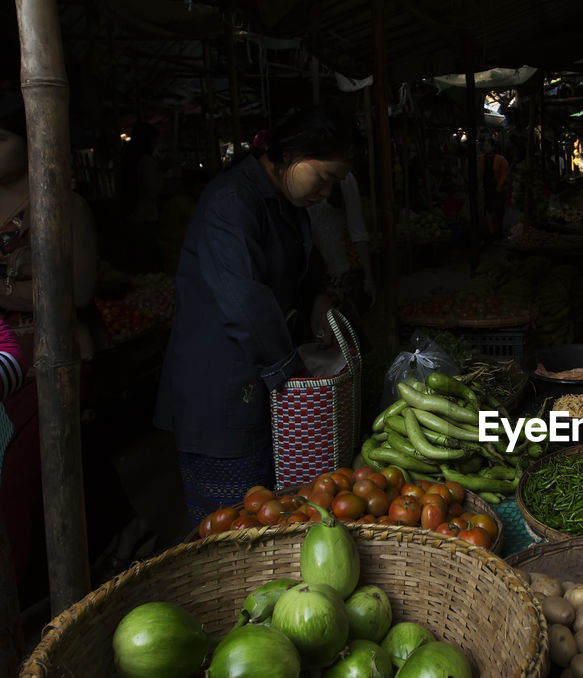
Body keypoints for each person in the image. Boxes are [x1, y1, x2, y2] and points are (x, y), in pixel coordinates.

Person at [154, 105, 356, 529]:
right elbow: (243, 299)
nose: (326, 193)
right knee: (229, 525)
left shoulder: (285, 203)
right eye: (324, 179)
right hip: (218, 385)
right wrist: (293, 371)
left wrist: (317, 298)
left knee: (265, 512)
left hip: (255, 376)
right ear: (293, 153)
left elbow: (293, 272)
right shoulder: (231, 202)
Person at [0, 90, 136, 608]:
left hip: (54, 356)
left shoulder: (62, 203)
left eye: (1, 138)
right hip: (7, 358)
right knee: (68, 463)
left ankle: (34, 597)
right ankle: (126, 531)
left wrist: (8, 292)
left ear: (28, 140)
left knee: (21, 472)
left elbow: (75, 292)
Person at [306, 170, 374, 322]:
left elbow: (358, 231)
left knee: (339, 331)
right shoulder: (298, 176)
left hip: (338, 273)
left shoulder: (345, 178)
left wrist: (368, 278)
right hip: (309, 276)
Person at [117, 121, 164, 273]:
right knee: (145, 260)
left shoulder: (128, 159)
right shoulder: (147, 161)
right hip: (145, 217)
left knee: (137, 259)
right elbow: (152, 191)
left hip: (132, 214)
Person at [477, 138, 510, 243]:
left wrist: (499, 187)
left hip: (497, 190)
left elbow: (505, 174)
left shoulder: (501, 159)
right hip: (483, 189)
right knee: (485, 213)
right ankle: (487, 235)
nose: (485, 147)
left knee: (498, 212)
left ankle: (497, 236)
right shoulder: (479, 159)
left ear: (493, 147)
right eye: (484, 145)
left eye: (487, 145)